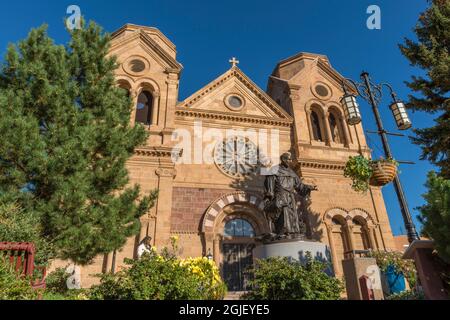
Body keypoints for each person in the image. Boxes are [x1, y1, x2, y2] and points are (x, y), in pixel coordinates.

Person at [264, 152, 318, 240]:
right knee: (283, 215)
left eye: (291, 159)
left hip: (290, 197)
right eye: (289, 159)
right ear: (283, 160)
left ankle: (292, 233)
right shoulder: (274, 170)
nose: (291, 161)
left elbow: (299, 185)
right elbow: (269, 186)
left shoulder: (291, 172)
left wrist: (309, 187)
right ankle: (282, 232)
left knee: (292, 216)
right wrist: (269, 197)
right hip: (280, 196)